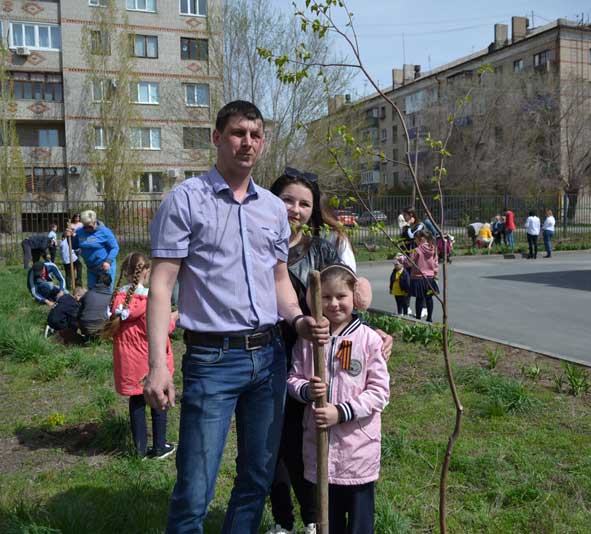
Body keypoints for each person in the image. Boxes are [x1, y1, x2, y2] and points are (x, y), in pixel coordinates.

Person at [144, 100, 330, 534]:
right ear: (216, 138)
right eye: (238, 133)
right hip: (212, 361)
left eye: (256, 135)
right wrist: (158, 364)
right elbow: (160, 287)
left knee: (256, 478)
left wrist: (299, 321)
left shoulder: (271, 209)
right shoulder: (186, 201)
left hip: (268, 360)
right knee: (195, 487)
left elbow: (280, 280)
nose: (248, 142)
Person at [267, 168, 394, 534]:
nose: (295, 209)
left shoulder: (327, 245)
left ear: (314, 208)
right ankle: (282, 520)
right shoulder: (260, 242)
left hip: (317, 348)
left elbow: (350, 296)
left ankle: (313, 518)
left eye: (304, 203)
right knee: (272, 441)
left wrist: (370, 332)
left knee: (305, 438)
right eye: (287, 200)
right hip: (273, 352)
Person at [287, 264, 389, 534]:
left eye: (341, 296)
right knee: (326, 525)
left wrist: (341, 411)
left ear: (354, 298)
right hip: (319, 453)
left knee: (358, 526)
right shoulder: (308, 341)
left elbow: (379, 391)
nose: (333, 304)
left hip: (357, 454)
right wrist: (306, 391)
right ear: (313, 300)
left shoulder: (368, 340)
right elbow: (293, 379)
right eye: (326, 297)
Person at [103, 252, 176, 459]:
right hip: (149, 359)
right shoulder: (149, 300)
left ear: (125, 273)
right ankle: (160, 446)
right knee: (158, 399)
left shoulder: (117, 300)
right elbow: (162, 327)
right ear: (146, 272)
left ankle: (139, 450)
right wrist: (175, 317)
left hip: (128, 362)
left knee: (136, 402)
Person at [76, 209, 119, 289]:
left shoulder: (105, 232)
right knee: (92, 291)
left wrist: (108, 261)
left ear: (95, 221)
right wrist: (69, 238)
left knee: (105, 291)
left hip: (105, 268)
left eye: (90, 226)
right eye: (85, 226)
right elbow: (74, 246)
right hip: (91, 268)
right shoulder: (79, 232)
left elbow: (115, 247)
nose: (87, 229)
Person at [409, 230, 439, 322]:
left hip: (418, 277)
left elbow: (410, 263)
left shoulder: (416, 250)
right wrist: (435, 274)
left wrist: (402, 260)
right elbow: (435, 263)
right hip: (429, 277)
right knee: (429, 298)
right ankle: (429, 318)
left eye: (415, 239)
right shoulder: (433, 249)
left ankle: (418, 318)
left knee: (419, 298)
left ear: (421, 239)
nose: (415, 241)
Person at [78, 271, 114, 339]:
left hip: (84, 326)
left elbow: (79, 308)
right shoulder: (111, 297)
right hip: (101, 326)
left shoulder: (88, 294)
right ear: (109, 284)